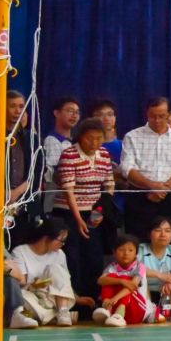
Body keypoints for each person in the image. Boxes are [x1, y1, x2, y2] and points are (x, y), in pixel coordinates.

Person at [118, 97, 171, 243]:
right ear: (147, 113)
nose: (157, 120)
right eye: (153, 116)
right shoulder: (132, 136)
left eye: (162, 116)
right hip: (141, 197)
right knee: (139, 242)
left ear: (168, 114)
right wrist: (152, 185)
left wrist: (164, 188)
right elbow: (127, 168)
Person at [57, 119, 117, 302]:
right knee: (73, 258)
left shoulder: (104, 154)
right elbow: (68, 190)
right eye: (90, 138)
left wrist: (99, 211)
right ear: (81, 137)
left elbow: (109, 185)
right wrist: (78, 220)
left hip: (94, 212)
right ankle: (74, 301)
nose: (94, 143)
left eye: (99, 138)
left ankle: (93, 300)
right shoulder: (69, 155)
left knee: (94, 258)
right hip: (69, 212)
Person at [5, 218, 74, 330]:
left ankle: (62, 312)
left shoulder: (60, 254)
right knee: (22, 299)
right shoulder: (20, 251)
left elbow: (64, 283)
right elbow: (21, 283)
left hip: (51, 297)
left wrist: (78, 298)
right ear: (46, 238)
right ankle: (51, 315)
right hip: (31, 295)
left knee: (55, 268)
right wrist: (35, 284)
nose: (62, 244)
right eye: (61, 240)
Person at [95, 236, 154, 326]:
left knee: (127, 280)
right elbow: (100, 280)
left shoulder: (140, 267)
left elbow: (132, 285)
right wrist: (121, 281)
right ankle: (107, 310)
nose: (126, 253)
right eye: (121, 250)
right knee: (109, 278)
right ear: (114, 252)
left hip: (138, 310)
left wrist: (115, 298)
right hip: (115, 306)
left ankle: (119, 315)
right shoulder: (112, 267)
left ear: (136, 253)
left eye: (130, 250)